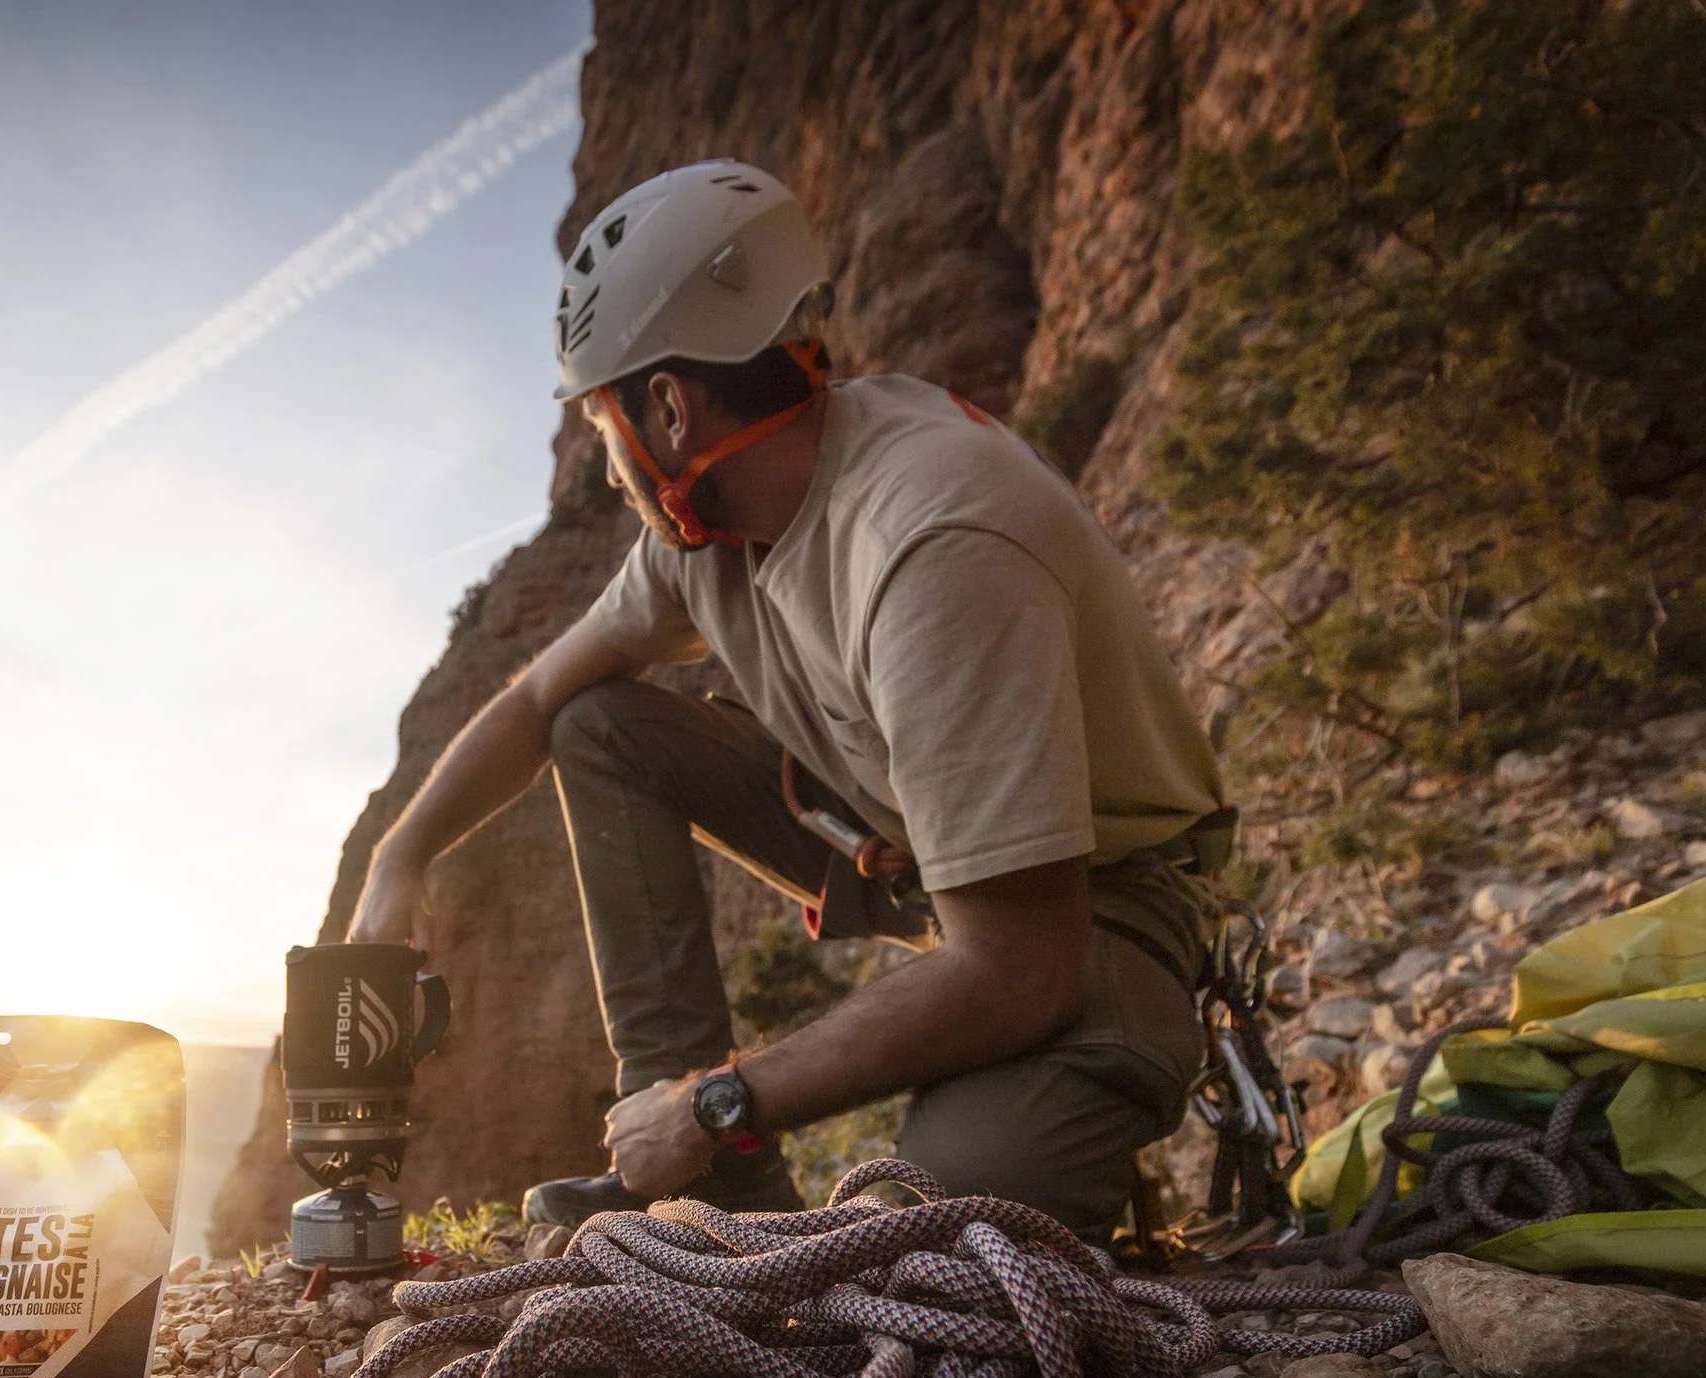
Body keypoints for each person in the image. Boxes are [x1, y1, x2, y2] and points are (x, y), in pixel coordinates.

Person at [345, 159, 1231, 1240]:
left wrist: (724, 1101)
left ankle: (701, 1136)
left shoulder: (932, 543)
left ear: (666, 407)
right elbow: (542, 697)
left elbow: (1018, 968)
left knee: (932, 1236)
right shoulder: (705, 533)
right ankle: (694, 1180)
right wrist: (403, 856)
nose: (608, 463)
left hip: (1089, 908)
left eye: (601, 426)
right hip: (908, 843)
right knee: (600, 722)